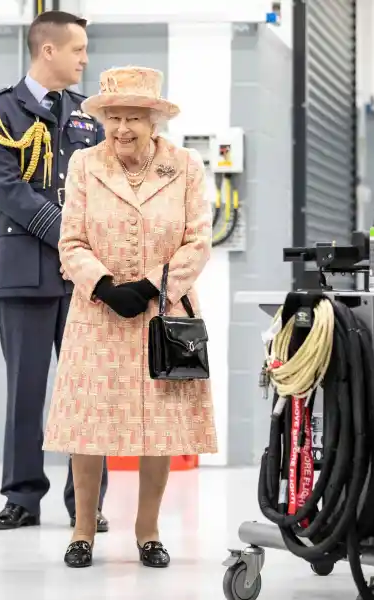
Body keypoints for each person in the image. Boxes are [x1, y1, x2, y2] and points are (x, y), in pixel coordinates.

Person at [42, 66, 218, 568]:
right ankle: (82, 532)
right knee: (89, 424)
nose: (122, 128)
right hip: (97, 312)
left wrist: (151, 285)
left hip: (161, 313)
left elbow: (198, 241)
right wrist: (101, 283)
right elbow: (70, 239)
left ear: (153, 120)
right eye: (114, 117)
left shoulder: (184, 166)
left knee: (159, 425)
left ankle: (148, 529)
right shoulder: (83, 165)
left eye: (133, 118)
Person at [0, 9, 110, 534]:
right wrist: (70, 234)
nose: (84, 59)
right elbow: (8, 189)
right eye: (77, 49)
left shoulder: (90, 115)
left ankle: (88, 501)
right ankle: (21, 498)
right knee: (25, 390)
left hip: (85, 276)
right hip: (27, 268)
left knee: (90, 390)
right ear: (47, 49)